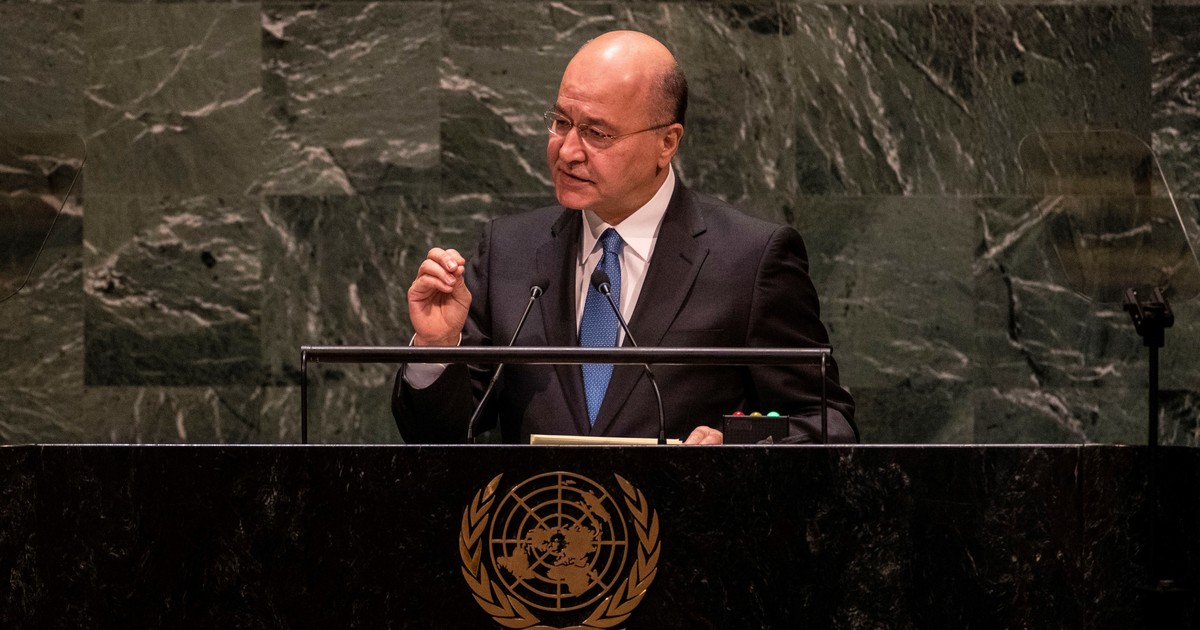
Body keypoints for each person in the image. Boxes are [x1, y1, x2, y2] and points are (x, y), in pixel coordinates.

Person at [392, 30, 856, 445]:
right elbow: (437, 438)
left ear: (666, 143)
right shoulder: (509, 251)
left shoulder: (750, 259)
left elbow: (827, 422)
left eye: (597, 133)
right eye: (561, 122)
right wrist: (437, 348)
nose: (568, 151)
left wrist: (738, 450)